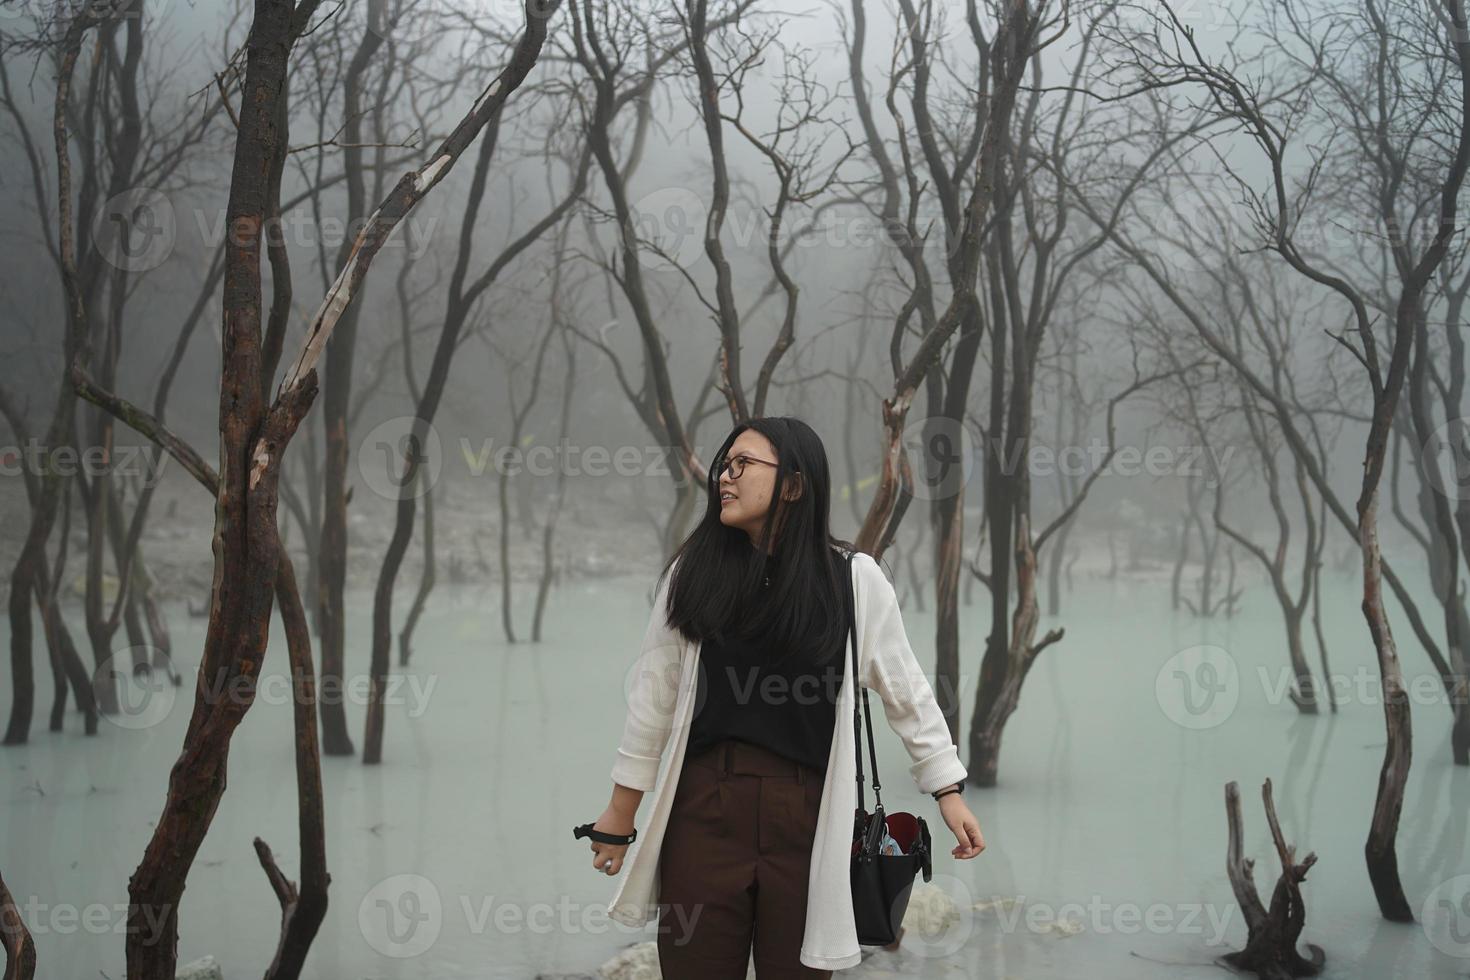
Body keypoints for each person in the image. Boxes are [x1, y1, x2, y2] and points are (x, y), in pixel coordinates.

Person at [584, 417, 986, 977]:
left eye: (743, 464)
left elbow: (907, 689)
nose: (725, 476)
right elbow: (653, 700)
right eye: (724, 465)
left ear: (795, 484)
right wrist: (619, 815)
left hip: (810, 819)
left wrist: (947, 788)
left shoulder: (853, 579)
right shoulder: (692, 574)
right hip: (705, 812)